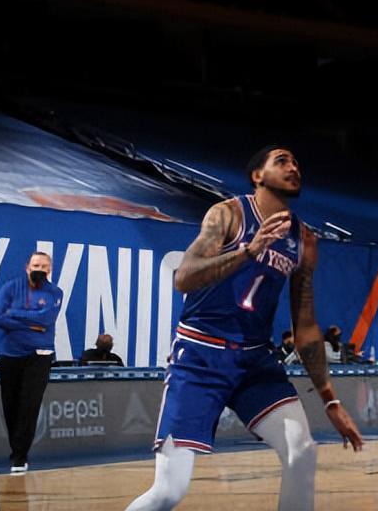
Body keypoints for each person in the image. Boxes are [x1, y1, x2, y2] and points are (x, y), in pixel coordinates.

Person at [125, 146, 362, 511]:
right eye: (282, 161)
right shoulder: (228, 214)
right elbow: (184, 278)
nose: (293, 167)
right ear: (257, 175)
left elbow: (305, 325)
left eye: (296, 162)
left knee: (302, 451)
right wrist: (248, 251)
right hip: (200, 355)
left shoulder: (304, 240)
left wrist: (330, 400)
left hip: (254, 359)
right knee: (169, 490)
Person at [0, 251, 64, 473]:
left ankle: (19, 457)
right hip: (10, 354)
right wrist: (31, 323)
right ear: (27, 267)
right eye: (35, 265)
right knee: (10, 405)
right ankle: (16, 448)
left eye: (43, 266)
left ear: (49, 269)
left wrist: (14, 313)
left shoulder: (55, 292)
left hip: (39, 355)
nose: (39, 269)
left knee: (29, 405)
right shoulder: (10, 288)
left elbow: (46, 319)